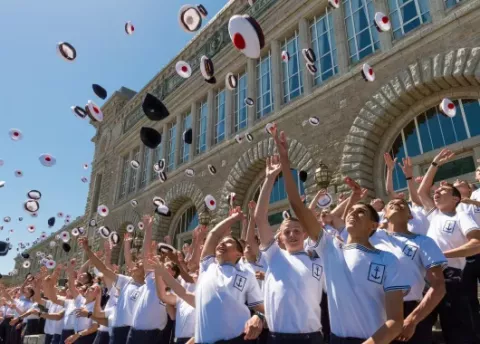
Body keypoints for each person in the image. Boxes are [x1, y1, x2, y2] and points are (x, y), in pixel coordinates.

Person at [272, 127, 409, 344]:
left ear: (374, 225)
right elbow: (297, 204)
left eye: (361, 212)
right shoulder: (330, 248)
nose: (353, 213)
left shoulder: (388, 260)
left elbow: (395, 322)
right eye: (352, 211)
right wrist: (285, 161)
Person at [254, 155, 325, 344]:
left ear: (305, 234)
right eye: (287, 232)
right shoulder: (275, 255)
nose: (292, 234)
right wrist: (269, 179)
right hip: (278, 337)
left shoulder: (319, 260)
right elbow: (260, 218)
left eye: (297, 230)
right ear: (281, 237)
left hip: (313, 337)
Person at [417, 149, 480, 344]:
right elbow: (421, 190)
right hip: (428, 278)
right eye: (437, 191)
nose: (437, 192)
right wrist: (435, 163)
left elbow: (476, 244)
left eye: (443, 191)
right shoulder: (434, 214)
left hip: (452, 278)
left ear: (456, 199)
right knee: (422, 327)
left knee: (458, 330)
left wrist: (442, 254)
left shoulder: (462, 215)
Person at [369, 198, 447, 343]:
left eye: (402, 204)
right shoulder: (370, 238)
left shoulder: (423, 241)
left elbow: (439, 286)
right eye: (391, 203)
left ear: (410, 216)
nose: (396, 204)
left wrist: (412, 320)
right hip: (373, 309)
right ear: (384, 214)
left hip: (409, 310)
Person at [195, 207, 265, 344]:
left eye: (229, 242)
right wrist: (232, 219)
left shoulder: (247, 274)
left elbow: (261, 310)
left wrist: (259, 317)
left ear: (239, 253)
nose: (221, 243)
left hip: (237, 340)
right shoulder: (207, 266)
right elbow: (214, 234)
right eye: (222, 241)